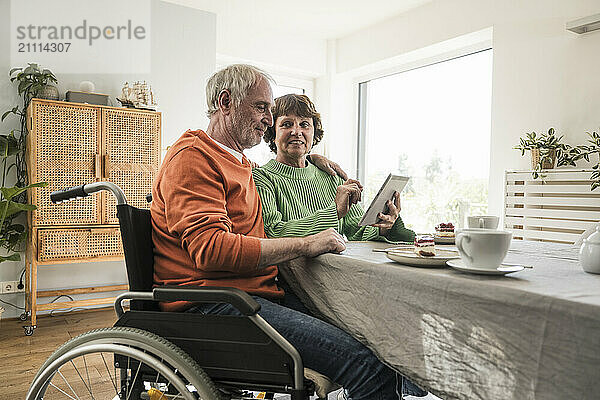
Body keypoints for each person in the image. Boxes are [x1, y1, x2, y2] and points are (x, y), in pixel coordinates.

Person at [151, 64, 427, 399]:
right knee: (366, 364)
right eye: (262, 108)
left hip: (254, 296)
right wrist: (307, 243)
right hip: (218, 305)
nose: (268, 119)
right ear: (226, 102)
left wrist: (315, 159)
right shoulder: (193, 158)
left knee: (382, 339)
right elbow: (211, 251)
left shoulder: (236, 161)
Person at [253, 94, 415, 243]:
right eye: (286, 124)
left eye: (304, 125)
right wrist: (334, 212)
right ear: (272, 134)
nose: (297, 132)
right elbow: (273, 232)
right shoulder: (261, 177)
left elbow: (357, 232)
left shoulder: (332, 176)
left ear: (314, 132)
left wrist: (383, 225)